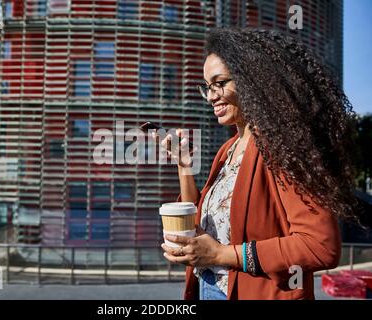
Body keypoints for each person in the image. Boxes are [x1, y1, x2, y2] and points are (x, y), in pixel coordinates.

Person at [154, 28, 360, 300]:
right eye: (207, 87)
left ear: (251, 80)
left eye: (220, 83)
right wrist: (183, 167)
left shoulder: (283, 148)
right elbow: (198, 225)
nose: (212, 96)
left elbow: (320, 246)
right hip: (209, 287)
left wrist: (222, 254)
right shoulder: (228, 150)